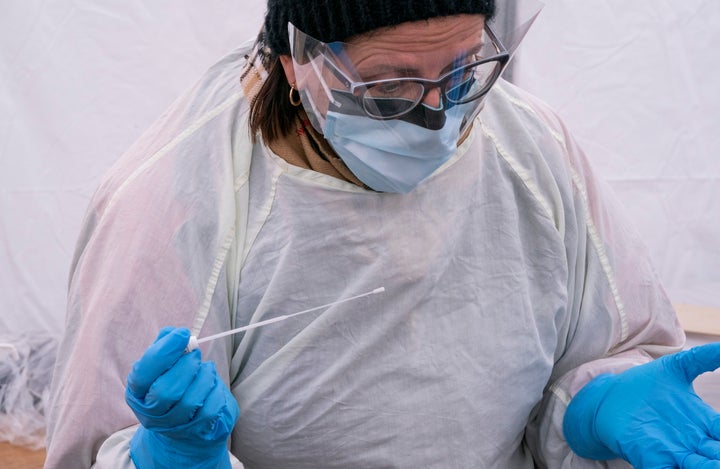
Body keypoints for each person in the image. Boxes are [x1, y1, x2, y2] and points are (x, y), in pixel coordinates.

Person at [44, 0, 720, 467]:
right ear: (295, 62)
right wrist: (169, 455)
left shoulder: (530, 147)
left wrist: (596, 402)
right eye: (387, 85)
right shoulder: (178, 196)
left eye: (461, 72)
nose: (434, 119)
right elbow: (102, 440)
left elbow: (607, 343)